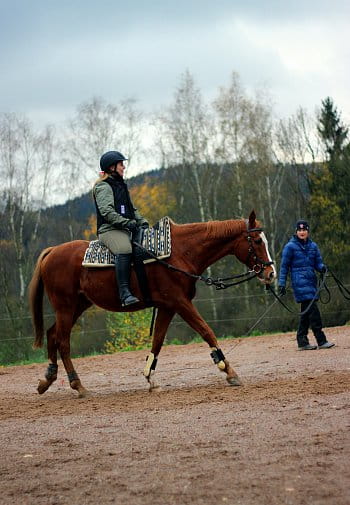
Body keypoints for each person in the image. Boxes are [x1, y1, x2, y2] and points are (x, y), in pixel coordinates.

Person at [93, 150, 149, 306]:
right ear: (112, 167)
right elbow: (107, 212)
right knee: (125, 249)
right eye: (121, 164)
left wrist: (142, 221)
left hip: (124, 228)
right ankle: (124, 293)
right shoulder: (103, 187)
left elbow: (132, 209)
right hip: (109, 230)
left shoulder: (121, 185)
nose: (123, 167)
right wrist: (126, 223)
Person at [278, 220, 335, 351]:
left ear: (308, 231)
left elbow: (317, 263)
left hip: (311, 282)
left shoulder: (313, 246)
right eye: (299, 230)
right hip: (299, 283)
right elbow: (284, 267)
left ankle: (302, 340)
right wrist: (281, 283)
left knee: (306, 312)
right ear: (296, 232)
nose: (302, 232)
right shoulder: (290, 247)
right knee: (313, 312)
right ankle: (321, 340)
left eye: (304, 230)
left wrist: (322, 268)